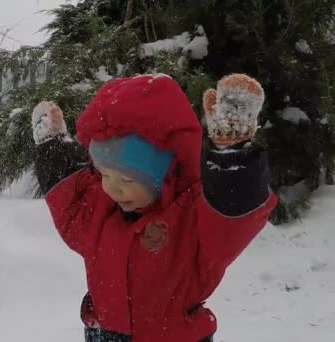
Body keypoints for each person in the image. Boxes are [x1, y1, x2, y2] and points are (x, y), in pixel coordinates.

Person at [31, 73, 278, 342]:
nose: (111, 188)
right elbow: (71, 201)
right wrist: (53, 150)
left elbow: (233, 216)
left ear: (166, 174)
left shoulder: (193, 218)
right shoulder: (101, 212)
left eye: (126, 178)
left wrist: (233, 154)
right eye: (103, 174)